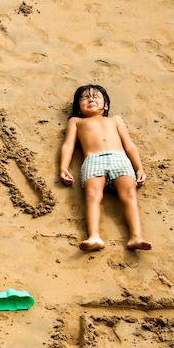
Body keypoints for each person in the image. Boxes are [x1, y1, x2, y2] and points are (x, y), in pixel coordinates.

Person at [58, 84, 152, 252]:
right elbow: (68, 146)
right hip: (93, 160)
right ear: (78, 107)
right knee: (92, 195)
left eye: (95, 97)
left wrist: (139, 168)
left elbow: (129, 145)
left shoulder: (115, 120)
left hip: (120, 159)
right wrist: (63, 167)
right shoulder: (76, 121)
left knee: (129, 194)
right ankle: (94, 236)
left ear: (106, 105)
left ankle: (136, 236)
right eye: (85, 98)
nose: (91, 99)